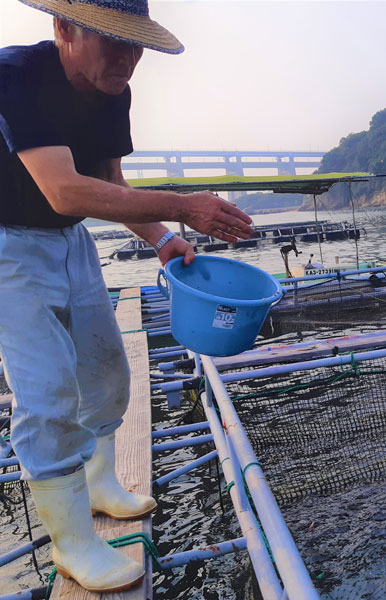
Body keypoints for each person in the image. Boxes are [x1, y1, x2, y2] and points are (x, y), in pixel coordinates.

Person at [0, 0, 253, 592]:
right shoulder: (16, 75)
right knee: (47, 389)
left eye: (135, 44)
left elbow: (109, 185)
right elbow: (63, 189)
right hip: (7, 241)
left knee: (107, 367)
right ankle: (72, 543)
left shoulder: (114, 91)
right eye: (112, 41)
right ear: (63, 28)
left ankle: (101, 482)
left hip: (69, 238)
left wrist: (164, 240)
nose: (127, 58)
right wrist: (183, 206)